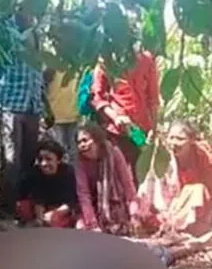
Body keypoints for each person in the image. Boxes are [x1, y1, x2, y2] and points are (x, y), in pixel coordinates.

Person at [0, 12, 48, 218]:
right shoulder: (3, 28)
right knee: (11, 161)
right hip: (9, 103)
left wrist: (44, 104)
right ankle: (6, 211)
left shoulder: (36, 31)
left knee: (28, 160)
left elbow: (37, 71)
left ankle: (21, 207)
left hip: (31, 105)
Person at [90, 51, 160, 185]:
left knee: (142, 174)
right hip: (117, 129)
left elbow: (153, 98)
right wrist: (115, 116)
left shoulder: (146, 60)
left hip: (142, 128)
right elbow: (97, 96)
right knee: (118, 174)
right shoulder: (106, 60)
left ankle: (140, 205)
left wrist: (154, 128)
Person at [74, 123, 139, 235]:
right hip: (93, 207)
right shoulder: (80, 162)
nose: (82, 145)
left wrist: (134, 214)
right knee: (81, 229)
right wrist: (92, 224)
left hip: (117, 203)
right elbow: (83, 194)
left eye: (85, 140)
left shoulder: (114, 153)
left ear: (97, 140)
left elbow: (127, 185)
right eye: (79, 142)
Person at [16, 138, 79, 228]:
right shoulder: (35, 172)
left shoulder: (68, 172)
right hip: (41, 206)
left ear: (58, 160)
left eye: (48, 159)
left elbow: (71, 202)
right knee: (23, 208)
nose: (44, 164)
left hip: (62, 207)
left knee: (54, 221)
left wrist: (56, 213)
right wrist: (40, 218)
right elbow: (38, 197)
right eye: (40, 160)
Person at [43, 69, 80, 163]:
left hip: (74, 117)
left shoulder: (75, 68)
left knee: (74, 153)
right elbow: (42, 92)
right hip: (56, 118)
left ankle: (74, 176)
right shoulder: (50, 70)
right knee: (60, 152)